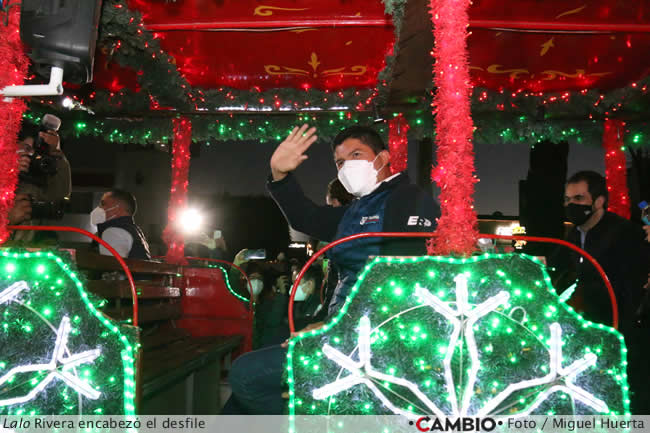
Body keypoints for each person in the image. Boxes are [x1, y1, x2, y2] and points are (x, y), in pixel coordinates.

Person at [223, 124, 440, 414]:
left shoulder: (407, 199)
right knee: (261, 363)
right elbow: (307, 217)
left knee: (245, 374)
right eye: (340, 161)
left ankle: (313, 418)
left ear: (384, 157)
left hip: (376, 336)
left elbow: (399, 278)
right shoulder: (357, 209)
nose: (348, 165)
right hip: (344, 328)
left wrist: (332, 326)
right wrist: (279, 173)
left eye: (356, 154)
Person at [550, 170, 648, 414]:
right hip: (585, 329)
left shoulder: (626, 233)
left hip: (621, 330)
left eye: (579, 199)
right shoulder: (572, 235)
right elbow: (559, 268)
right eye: (568, 199)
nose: (571, 205)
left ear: (599, 201)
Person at [9, 117, 71, 242]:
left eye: (35, 151)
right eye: (26, 148)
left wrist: (56, 154)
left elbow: (60, 194)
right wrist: (7, 220)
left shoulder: (30, 183)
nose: (32, 155)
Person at [92, 189, 151, 260]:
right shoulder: (133, 229)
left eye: (103, 204)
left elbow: (111, 267)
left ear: (118, 208)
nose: (99, 208)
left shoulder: (113, 232)